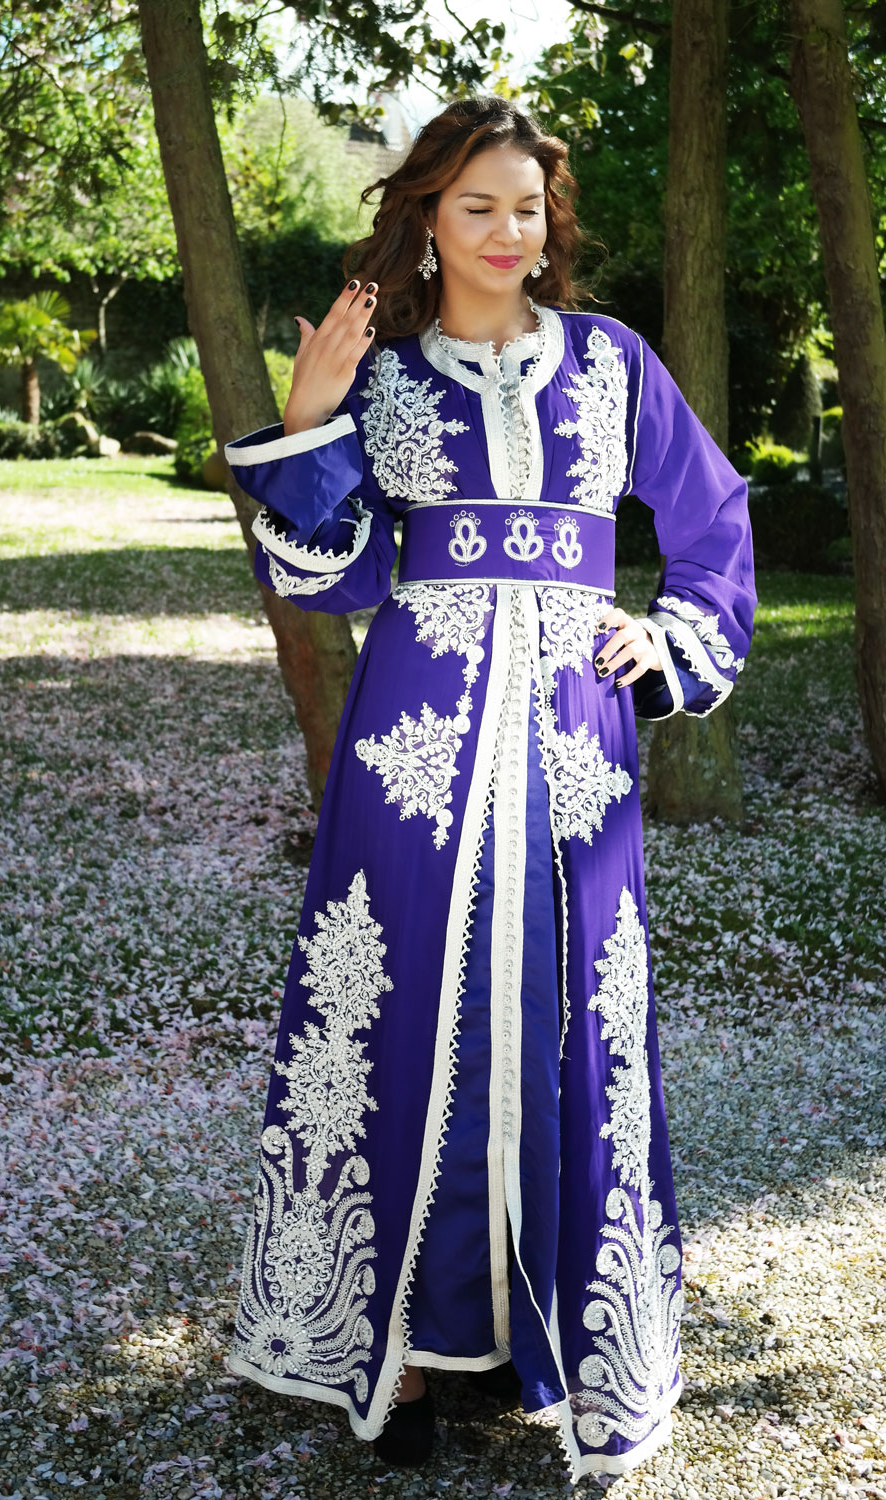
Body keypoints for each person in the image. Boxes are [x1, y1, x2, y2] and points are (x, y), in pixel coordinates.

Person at [223, 95, 755, 1487]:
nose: (509, 232)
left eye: (529, 208)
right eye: (479, 208)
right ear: (429, 218)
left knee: (571, 1006)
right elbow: (331, 573)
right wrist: (308, 419)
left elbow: (712, 520)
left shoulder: (612, 361)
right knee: (404, 1003)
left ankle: (564, 1335)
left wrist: (670, 635)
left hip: (576, 737)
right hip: (418, 735)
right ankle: (397, 1347)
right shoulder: (388, 377)